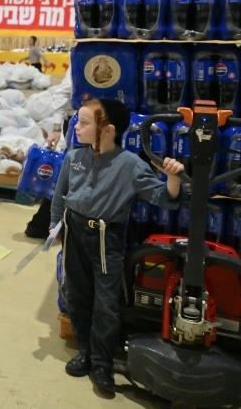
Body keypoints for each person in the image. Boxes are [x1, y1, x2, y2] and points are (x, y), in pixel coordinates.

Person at [50, 98, 184, 395]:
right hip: (74, 233)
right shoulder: (74, 157)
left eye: (84, 123)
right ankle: (84, 352)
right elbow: (60, 196)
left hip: (105, 239)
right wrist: (55, 225)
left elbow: (164, 198)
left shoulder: (131, 166)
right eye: (77, 121)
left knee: (107, 304)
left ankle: (102, 362)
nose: (77, 127)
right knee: (77, 295)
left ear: (108, 130)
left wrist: (172, 178)